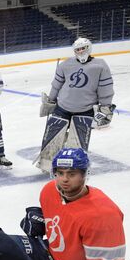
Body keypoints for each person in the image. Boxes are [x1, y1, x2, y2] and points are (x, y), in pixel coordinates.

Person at [18, 148, 130, 260]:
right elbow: (64, 217)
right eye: (60, 173)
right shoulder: (49, 191)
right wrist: (40, 219)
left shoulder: (103, 216)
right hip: (58, 253)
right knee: (6, 247)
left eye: (72, 174)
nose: (64, 179)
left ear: (85, 175)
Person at [34, 38, 115, 173]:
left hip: (85, 110)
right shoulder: (65, 65)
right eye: (78, 49)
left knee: (77, 143)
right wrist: (51, 100)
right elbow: (56, 85)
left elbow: (105, 88)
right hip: (62, 107)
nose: (81, 51)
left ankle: (75, 167)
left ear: (89, 48)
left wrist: (105, 107)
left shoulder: (100, 65)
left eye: (83, 48)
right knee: (52, 137)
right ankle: (47, 165)